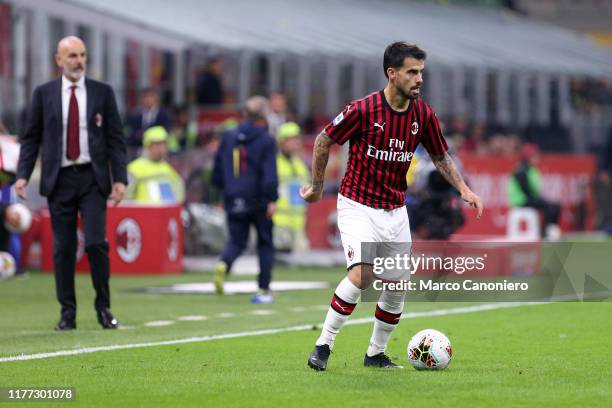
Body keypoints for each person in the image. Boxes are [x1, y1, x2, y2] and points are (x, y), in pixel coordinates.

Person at [301, 42, 483, 371]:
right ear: (392, 73)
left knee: (398, 287)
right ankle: (323, 345)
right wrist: (316, 187)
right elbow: (324, 140)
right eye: (412, 72)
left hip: (395, 210)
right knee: (362, 275)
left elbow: (441, 156)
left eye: (421, 73)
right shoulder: (362, 110)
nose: (419, 79)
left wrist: (463, 188)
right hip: (357, 204)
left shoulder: (422, 115)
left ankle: (375, 354)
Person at [15, 36, 127, 331]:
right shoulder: (44, 94)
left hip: (93, 178)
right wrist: (23, 175)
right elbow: (31, 138)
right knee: (62, 249)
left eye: (82, 55)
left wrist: (120, 179)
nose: (79, 61)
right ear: (59, 60)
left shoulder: (103, 93)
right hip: (60, 179)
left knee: (95, 243)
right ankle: (68, 312)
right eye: (72, 56)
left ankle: (104, 307)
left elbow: (116, 139)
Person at [212, 96, 278, 304]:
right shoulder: (266, 139)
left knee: (237, 241)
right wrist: (272, 198)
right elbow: (269, 173)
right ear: (263, 115)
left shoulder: (229, 136)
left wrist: (223, 192)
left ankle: (224, 263)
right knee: (265, 243)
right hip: (258, 198)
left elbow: (216, 170)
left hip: (233, 196)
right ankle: (263, 287)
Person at [508, 143, 561, 239]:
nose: (537, 159)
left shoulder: (531, 169)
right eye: (534, 156)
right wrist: (539, 199)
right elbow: (526, 190)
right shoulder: (521, 170)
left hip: (528, 198)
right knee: (549, 207)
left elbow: (534, 189)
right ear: (527, 158)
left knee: (554, 205)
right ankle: (546, 233)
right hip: (521, 200)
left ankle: (550, 231)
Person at [273, 122, 310, 251]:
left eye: (297, 139)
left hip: (298, 224)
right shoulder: (273, 163)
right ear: (281, 142)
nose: (296, 142)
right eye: (291, 139)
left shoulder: (300, 164)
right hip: (279, 224)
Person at [126, 126, 185, 204]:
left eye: (164, 144)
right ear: (147, 146)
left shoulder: (169, 169)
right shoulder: (134, 168)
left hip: (166, 214)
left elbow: (179, 196)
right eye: (157, 144)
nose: (162, 148)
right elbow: (126, 197)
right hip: (142, 214)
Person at [125, 87, 171, 155]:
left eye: (151, 97)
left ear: (156, 98)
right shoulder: (135, 115)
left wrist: (146, 133)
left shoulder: (163, 115)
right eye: (146, 97)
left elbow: (165, 131)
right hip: (138, 150)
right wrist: (138, 136)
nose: (148, 100)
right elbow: (129, 133)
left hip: (157, 150)